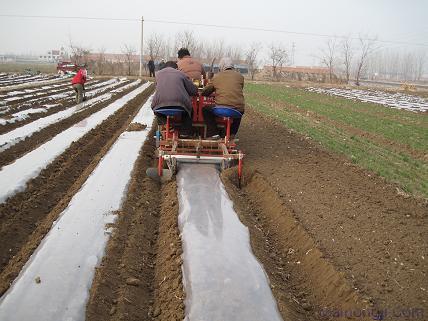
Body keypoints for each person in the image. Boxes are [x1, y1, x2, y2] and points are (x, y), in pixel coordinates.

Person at [201, 57, 245, 138]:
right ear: (232, 66)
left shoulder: (217, 77)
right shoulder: (240, 77)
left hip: (222, 108)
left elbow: (205, 92)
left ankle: (214, 134)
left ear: (221, 67)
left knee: (205, 109)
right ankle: (232, 134)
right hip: (237, 110)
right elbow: (239, 88)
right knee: (239, 112)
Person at [151, 61, 198, 136]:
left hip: (160, 104)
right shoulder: (181, 74)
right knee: (189, 111)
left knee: (155, 110)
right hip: (179, 104)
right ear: (176, 68)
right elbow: (193, 91)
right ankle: (185, 133)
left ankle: (167, 125)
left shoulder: (158, 74)